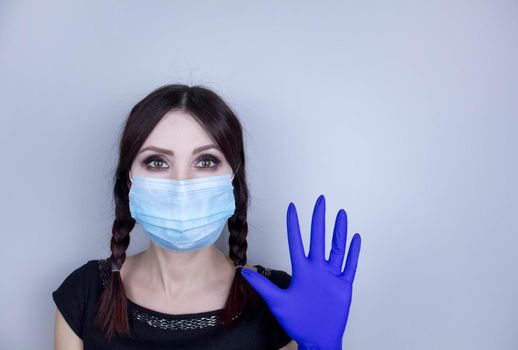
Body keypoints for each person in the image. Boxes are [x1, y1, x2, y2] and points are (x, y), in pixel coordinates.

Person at [52, 84, 362, 350]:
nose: (182, 184)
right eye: (157, 162)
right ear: (129, 179)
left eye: (206, 162)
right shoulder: (85, 294)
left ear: (233, 178)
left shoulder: (283, 300)